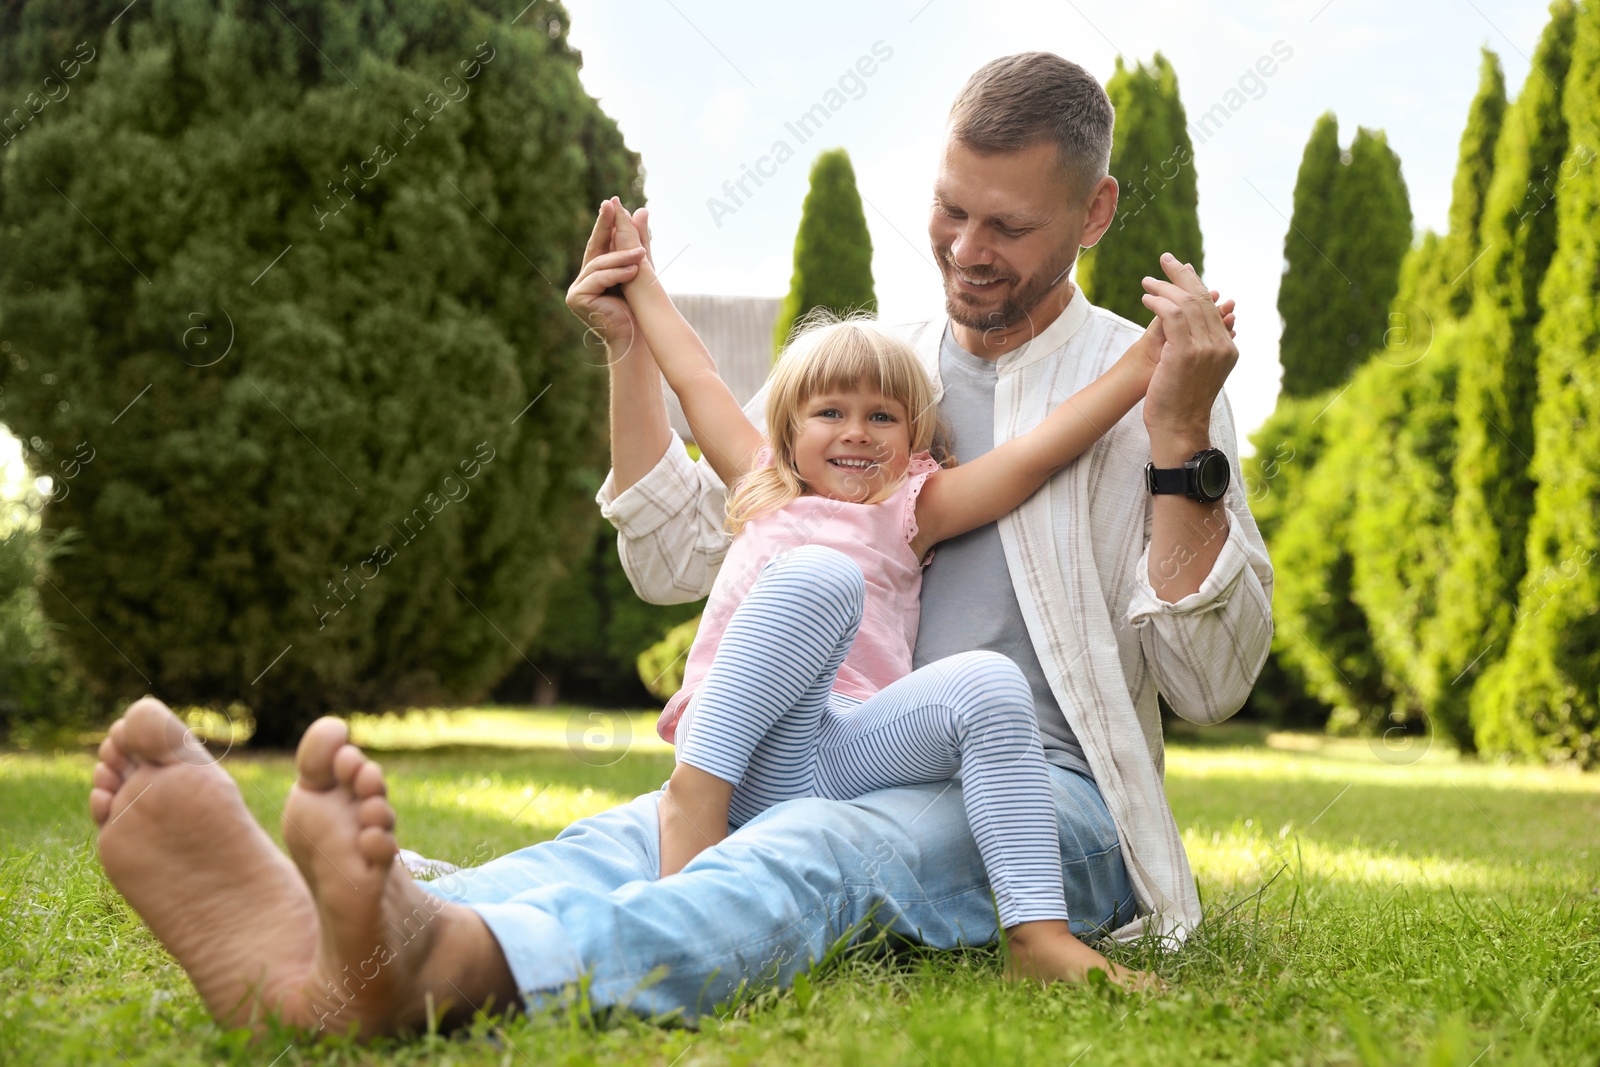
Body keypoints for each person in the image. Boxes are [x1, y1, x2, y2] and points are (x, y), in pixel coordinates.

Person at [89, 51, 1271, 1038]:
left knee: (815, 842)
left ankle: (459, 964)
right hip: (839, 743)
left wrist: (1173, 430)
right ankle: (325, 934)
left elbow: (1210, 684)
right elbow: (684, 557)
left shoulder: (1160, 384)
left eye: (1006, 226)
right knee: (644, 827)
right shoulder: (879, 374)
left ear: (1097, 211)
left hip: (1056, 802)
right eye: (948, 209)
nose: (965, 248)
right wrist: (626, 344)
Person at [603, 199, 1231, 989]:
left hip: (843, 754)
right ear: (789, 433)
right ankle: (689, 803)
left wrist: (1143, 365)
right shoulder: (764, 485)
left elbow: (1035, 453)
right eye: (830, 412)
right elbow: (693, 373)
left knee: (989, 683)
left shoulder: (915, 509)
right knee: (817, 579)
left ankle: (1037, 937)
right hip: (746, 751)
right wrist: (640, 282)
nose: (857, 431)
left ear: (914, 439)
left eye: (883, 417)